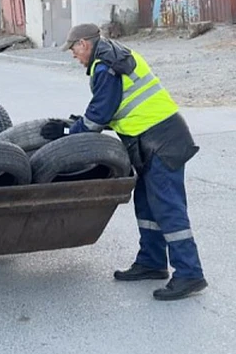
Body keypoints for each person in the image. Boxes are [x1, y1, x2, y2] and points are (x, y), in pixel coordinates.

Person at [43, 23, 207, 301]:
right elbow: (114, 110)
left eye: (72, 49)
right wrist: (72, 124)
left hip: (162, 140)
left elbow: (100, 114)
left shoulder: (105, 65)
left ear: (84, 43)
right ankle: (152, 262)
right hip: (147, 141)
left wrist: (69, 133)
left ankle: (190, 274)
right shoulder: (112, 56)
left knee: (168, 208)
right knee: (147, 206)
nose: (72, 55)